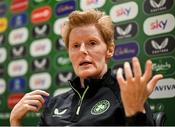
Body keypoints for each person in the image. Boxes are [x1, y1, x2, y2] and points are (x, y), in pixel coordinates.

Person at [10, 10, 163, 126]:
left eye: (92, 43)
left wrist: (135, 112)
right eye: (75, 45)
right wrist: (15, 121)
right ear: (69, 53)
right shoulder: (54, 103)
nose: (82, 50)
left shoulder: (126, 97)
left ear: (109, 50)